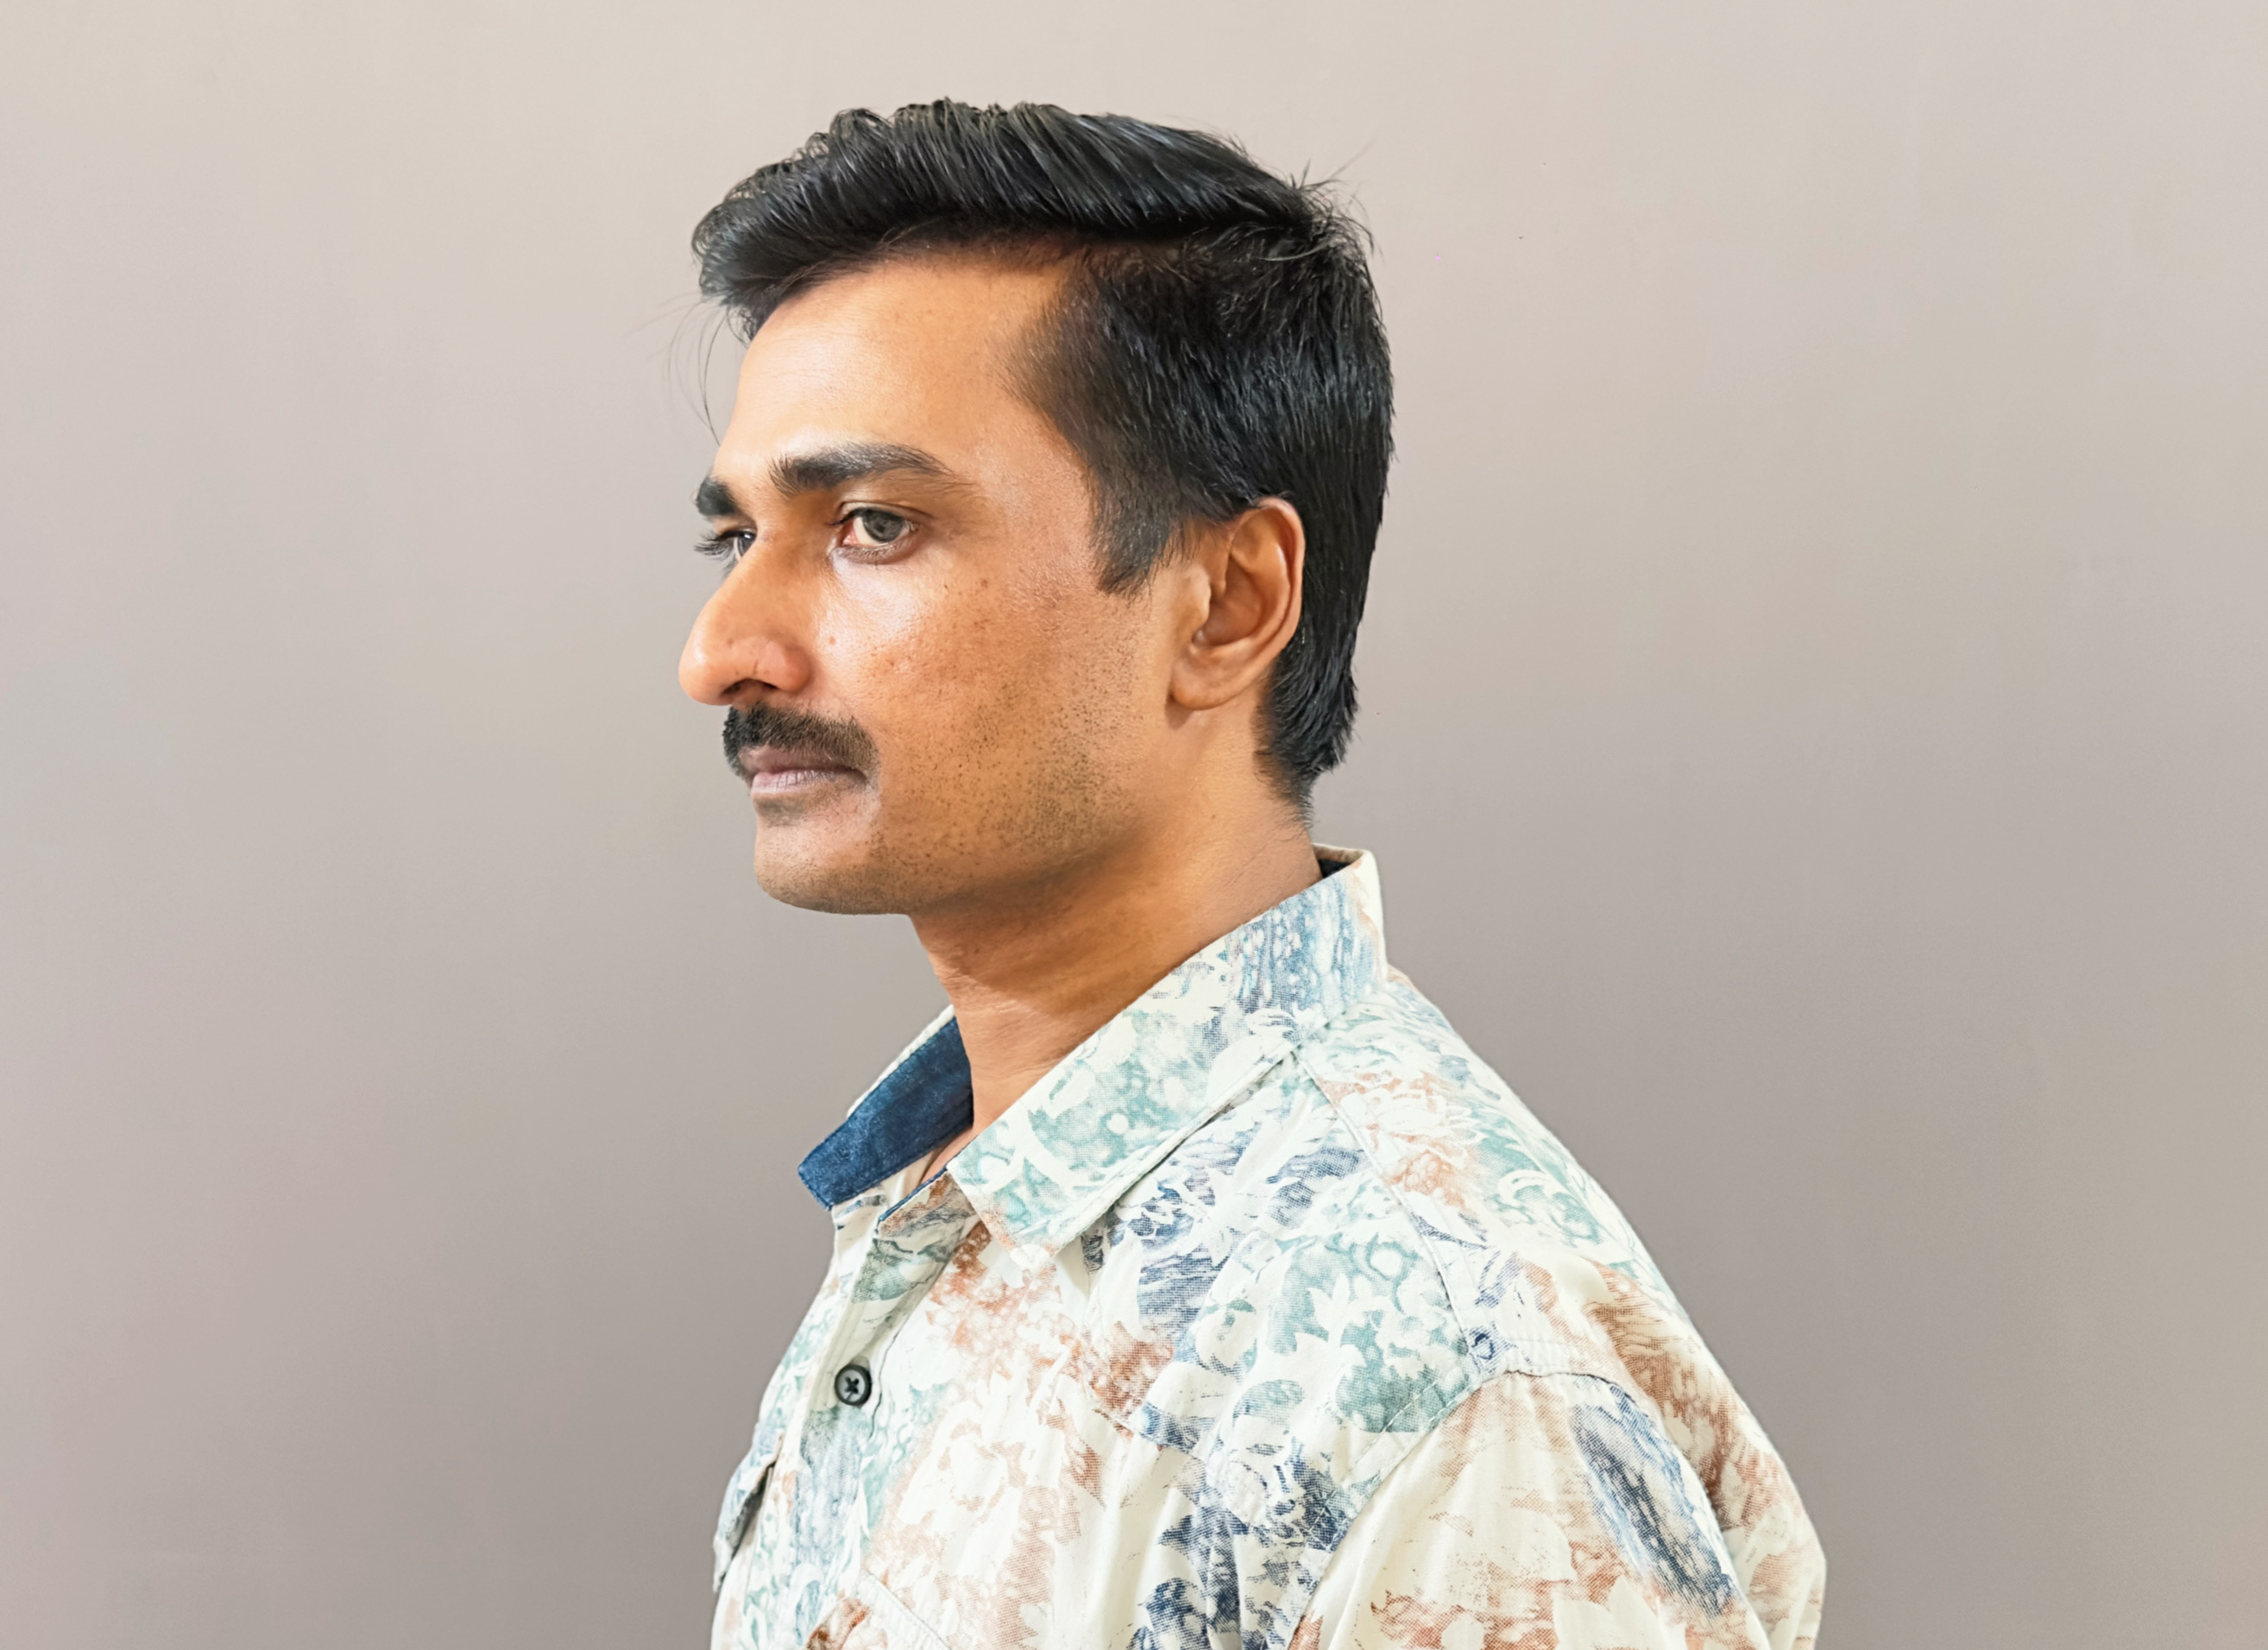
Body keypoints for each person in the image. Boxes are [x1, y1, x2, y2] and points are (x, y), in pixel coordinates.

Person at [680, 100, 1824, 1650]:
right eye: (736, 538)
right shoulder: (968, 1203)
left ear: (1225, 604)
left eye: (873, 526)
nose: (722, 653)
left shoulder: (1440, 1387)